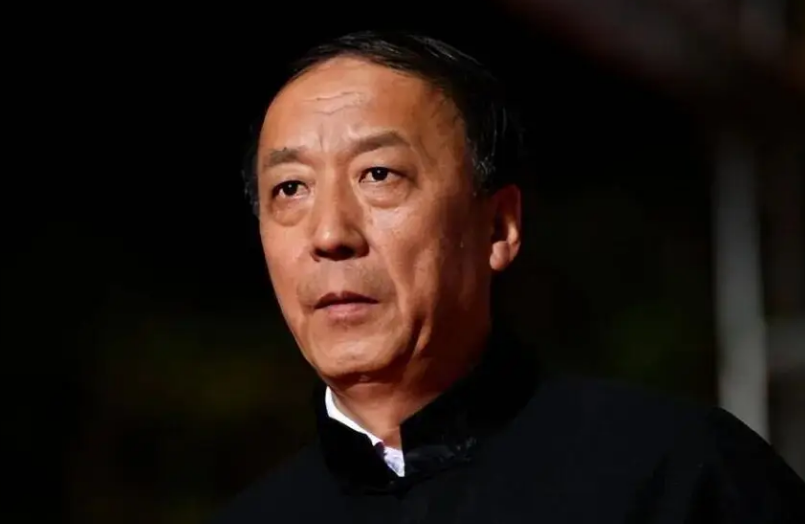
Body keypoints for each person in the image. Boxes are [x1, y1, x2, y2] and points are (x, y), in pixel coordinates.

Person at [212, 30, 805, 523]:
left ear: (498, 227)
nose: (329, 234)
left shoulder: (675, 476)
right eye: (290, 188)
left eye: (379, 175)